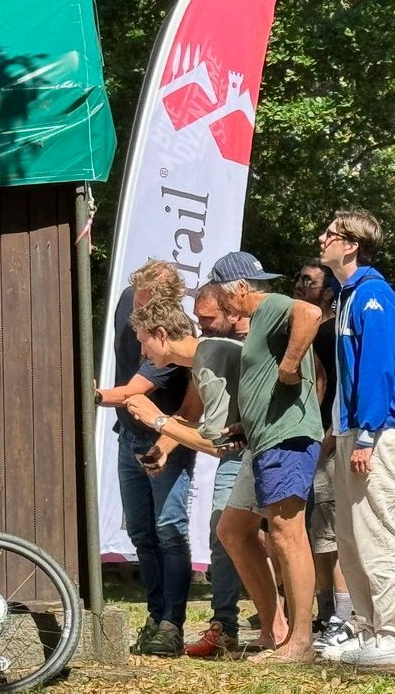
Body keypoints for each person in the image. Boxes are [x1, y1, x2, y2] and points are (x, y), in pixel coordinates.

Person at [123, 282, 251, 659]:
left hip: (264, 452)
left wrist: (159, 421)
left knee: (265, 538)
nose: (142, 351)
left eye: (144, 342)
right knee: (227, 534)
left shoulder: (213, 354)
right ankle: (230, 628)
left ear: (161, 335)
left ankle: (290, 631)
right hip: (243, 453)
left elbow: (220, 444)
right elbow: (190, 417)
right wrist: (163, 446)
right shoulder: (199, 361)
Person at [216, 251, 325, 664]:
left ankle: (300, 642)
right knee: (234, 528)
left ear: (241, 288)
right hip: (266, 439)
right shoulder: (261, 319)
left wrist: (290, 365)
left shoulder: (272, 304)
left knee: (285, 533)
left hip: (288, 438)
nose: (225, 306)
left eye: (224, 297)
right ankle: (274, 632)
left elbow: (311, 312)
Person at [318, 210, 395, 667]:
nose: (322, 239)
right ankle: (367, 627)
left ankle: (394, 635)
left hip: (375, 431)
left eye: (331, 235)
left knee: (377, 533)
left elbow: (377, 368)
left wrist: (367, 435)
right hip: (353, 429)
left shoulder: (372, 294)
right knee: (353, 538)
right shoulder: (347, 294)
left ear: (351, 245)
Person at [96, 260, 194, 657]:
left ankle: (172, 624)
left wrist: (91, 394)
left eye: (146, 302)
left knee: (169, 530)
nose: (136, 309)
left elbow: (132, 390)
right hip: (129, 436)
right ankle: (155, 617)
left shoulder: (178, 337)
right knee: (141, 534)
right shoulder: (127, 301)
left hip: (166, 439)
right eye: (135, 298)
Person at [294, 262, 355, 653]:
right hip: (310, 441)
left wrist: (331, 433)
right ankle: (325, 611)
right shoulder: (309, 329)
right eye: (298, 279)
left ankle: (345, 618)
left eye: (309, 281)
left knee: (333, 533)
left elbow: (342, 385)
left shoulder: (334, 333)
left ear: (330, 292)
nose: (299, 286)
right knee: (316, 532)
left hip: (330, 441)